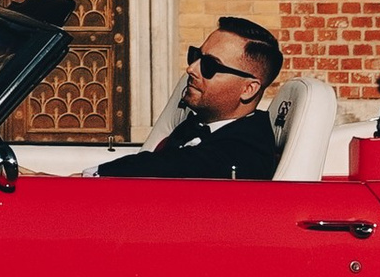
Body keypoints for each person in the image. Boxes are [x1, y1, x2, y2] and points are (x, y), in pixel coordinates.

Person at [96, 16, 285, 178]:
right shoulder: (199, 124)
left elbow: (173, 166)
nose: (191, 69)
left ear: (248, 89)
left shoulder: (246, 149)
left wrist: (93, 175)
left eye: (210, 65)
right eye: (195, 56)